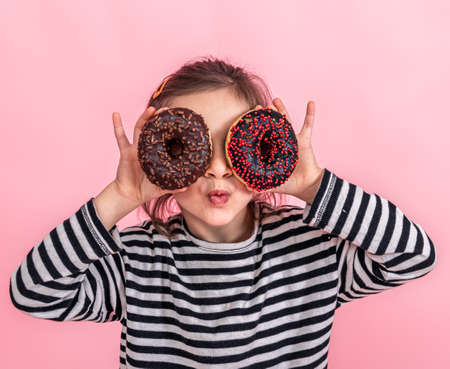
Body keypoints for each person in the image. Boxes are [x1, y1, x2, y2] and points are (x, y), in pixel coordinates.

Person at [9, 56, 437, 369]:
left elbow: (414, 256)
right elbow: (35, 292)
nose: (216, 167)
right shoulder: (136, 261)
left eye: (236, 144)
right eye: (191, 147)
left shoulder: (313, 250)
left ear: (268, 146)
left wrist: (311, 185)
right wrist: (121, 196)